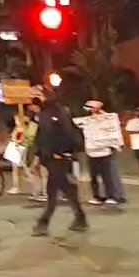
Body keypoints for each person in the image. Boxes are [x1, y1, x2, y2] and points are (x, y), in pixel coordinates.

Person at [32, 95, 88, 237]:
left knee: (54, 189)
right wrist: (38, 157)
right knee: (64, 188)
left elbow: (65, 133)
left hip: (58, 157)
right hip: (51, 157)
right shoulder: (45, 114)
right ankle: (80, 218)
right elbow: (41, 137)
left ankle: (43, 223)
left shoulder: (57, 112)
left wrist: (60, 151)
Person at [78, 100, 124, 205]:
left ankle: (111, 195)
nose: (90, 111)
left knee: (107, 175)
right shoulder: (87, 120)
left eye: (91, 108)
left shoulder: (109, 118)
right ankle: (97, 196)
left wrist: (116, 145)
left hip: (105, 151)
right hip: (91, 151)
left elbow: (114, 131)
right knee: (94, 176)